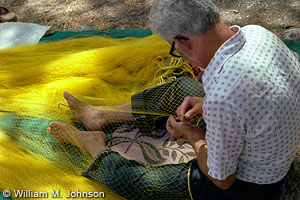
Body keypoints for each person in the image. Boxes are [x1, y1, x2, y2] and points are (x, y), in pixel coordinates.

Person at [48, 0, 300, 199]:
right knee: (182, 87)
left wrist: (192, 135)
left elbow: (222, 179)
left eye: (174, 48)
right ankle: (100, 116)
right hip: (269, 141)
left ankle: (95, 147)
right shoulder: (256, 33)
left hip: (250, 189)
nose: (178, 54)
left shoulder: (225, 96)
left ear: (184, 42)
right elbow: (260, 96)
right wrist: (206, 105)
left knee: (144, 183)